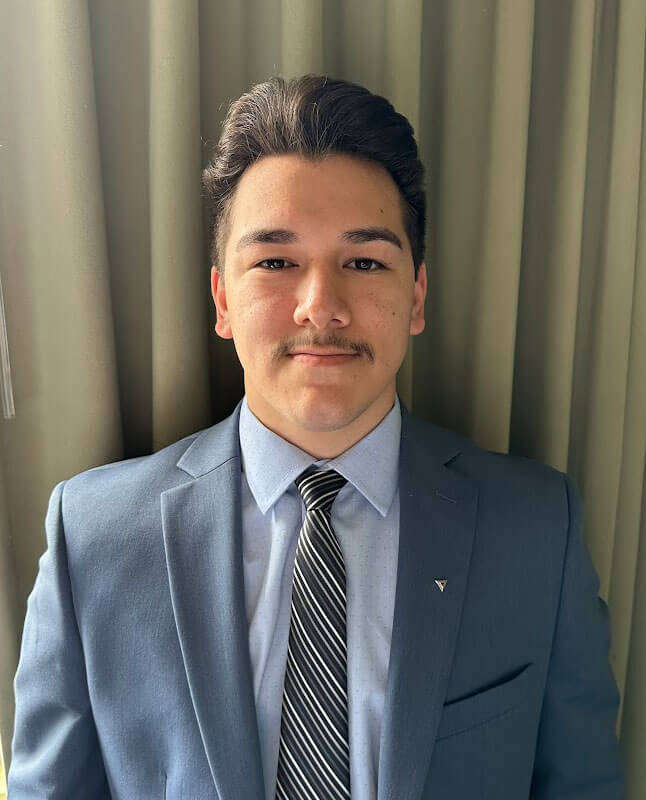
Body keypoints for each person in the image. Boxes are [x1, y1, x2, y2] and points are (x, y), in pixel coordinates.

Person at [8, 74, 624, 799]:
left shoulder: (534, 528)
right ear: (222, 300)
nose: (320, 306)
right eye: (275, 261)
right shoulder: (94, 537)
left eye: (364, 262)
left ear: (417, 295)